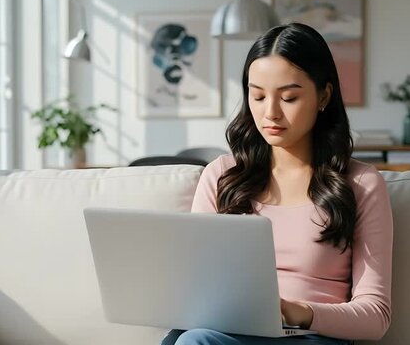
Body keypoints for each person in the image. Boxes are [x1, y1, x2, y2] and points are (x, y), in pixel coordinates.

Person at [160, 23, 393, 345]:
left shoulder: (360, 183)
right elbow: (198, 286)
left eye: (289, 97)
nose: (270, 113)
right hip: (228, 333)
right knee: (191, 338)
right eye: (257, 96)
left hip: (314, 336)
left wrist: (297, 311)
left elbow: (375, 317)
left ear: (323, 95)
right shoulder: (221, 175)